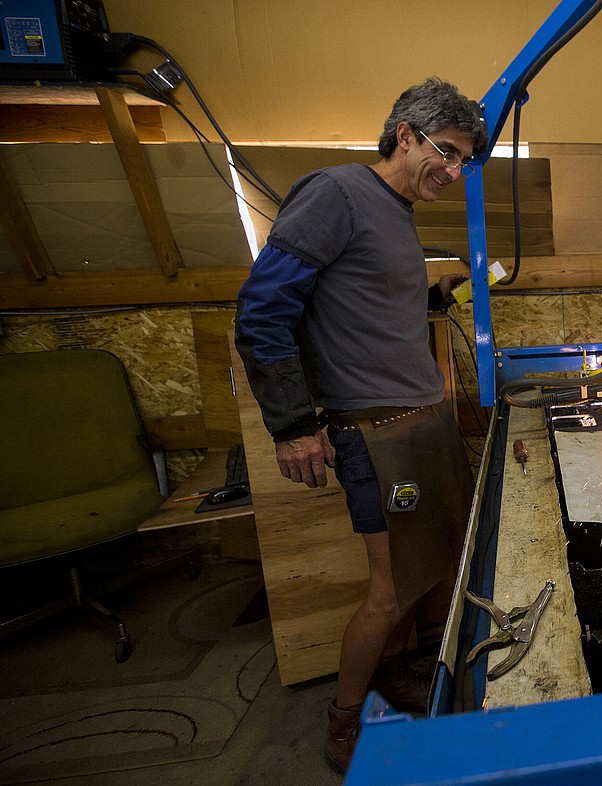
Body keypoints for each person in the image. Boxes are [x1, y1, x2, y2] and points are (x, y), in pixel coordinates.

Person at [234, 77, 487, 773]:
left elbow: (370, 304)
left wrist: (445, 289)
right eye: (447, 151)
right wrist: (291, 425)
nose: (454, 169)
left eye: (464, 160)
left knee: (427, 568)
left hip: (422, 422)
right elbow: (261, 312)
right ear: (404, 133)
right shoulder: (336, 192)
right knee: (390, 587)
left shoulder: (396, 212)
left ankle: (393, 672)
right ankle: (343, 722)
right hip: (374, 433)